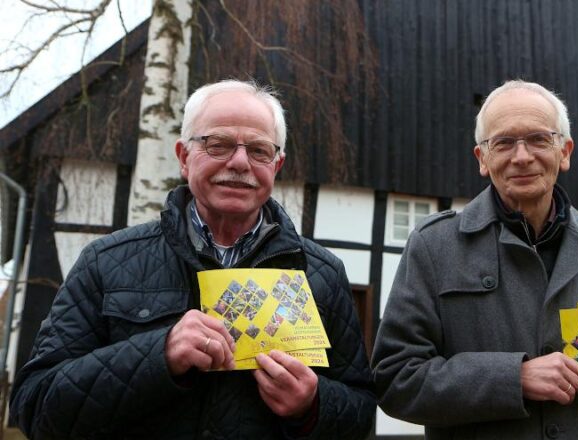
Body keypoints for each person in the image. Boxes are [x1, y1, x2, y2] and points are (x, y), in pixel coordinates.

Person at [10, 80, 375, 439]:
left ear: (276, 167)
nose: (240, 162)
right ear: (184, 157)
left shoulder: (322, 273)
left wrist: (312, 405)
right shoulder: (105, 261)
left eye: (260, 151)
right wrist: (158, 354)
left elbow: (360, 413)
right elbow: (36, 407)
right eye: (218, 145)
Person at [371, 80, 578, 439]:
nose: (521, 156)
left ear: (564, 151)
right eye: (503, 143)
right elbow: (395, 379)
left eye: (537, 139)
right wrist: (514, 378)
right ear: (483, 159)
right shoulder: (434, 245)